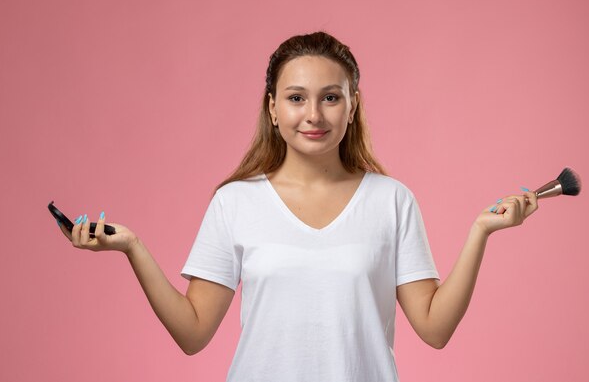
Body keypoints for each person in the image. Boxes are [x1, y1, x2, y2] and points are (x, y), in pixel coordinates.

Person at [57, 31, 539, 382]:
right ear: (272, 108)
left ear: (353, 106)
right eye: (296, 98)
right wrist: (133, 248)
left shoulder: (392, 200)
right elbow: (193, 334)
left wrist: (480, 232)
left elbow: (434, 330)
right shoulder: (235, 202)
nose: (313, 114)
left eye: (331, 97)